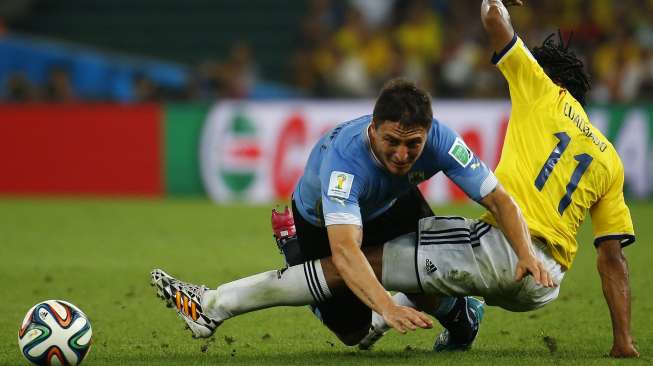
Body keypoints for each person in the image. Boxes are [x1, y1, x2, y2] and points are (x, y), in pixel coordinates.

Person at [151, 78, 553, 350]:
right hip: (321, 219)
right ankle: (295, 250)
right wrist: (385, 306)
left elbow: (500, 200)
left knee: (423, 272)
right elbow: (345, 253)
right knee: (354, 334)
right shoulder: (345, 163)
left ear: (427, 133)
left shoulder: (442, 141)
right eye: (392, 141)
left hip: (393, 203)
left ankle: (212, 305)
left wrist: (525, 254)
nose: (401, 154)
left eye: (412, 145)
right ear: (373, 128)